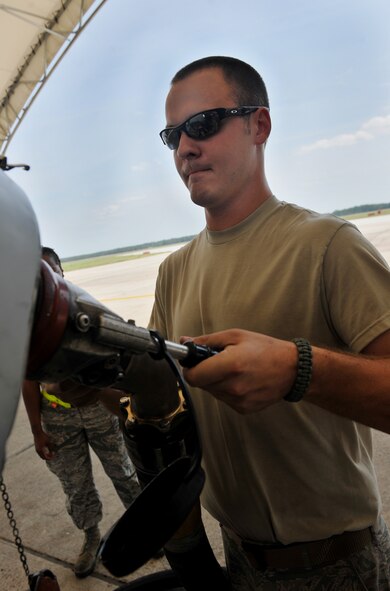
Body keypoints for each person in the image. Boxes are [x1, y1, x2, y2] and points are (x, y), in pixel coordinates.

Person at [126, 56, 390, 589]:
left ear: (259, 125)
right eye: (172, 135)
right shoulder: (172, 272)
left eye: (202, 125)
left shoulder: (327, 245)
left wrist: (300, 369)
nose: (185, 148)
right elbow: (161, 403)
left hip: (337, 563)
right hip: (236, 559)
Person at [22, 247, 142, 579]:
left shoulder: (82, 315)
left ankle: (144, 529)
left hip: (98, 411)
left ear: (62, 275)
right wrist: (36, 430)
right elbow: (28, 381)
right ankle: (91, 538)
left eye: (51, 272)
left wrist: (124, 412)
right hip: (57, 418)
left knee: (124, 472)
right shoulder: (31, 329)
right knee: (76, 485)